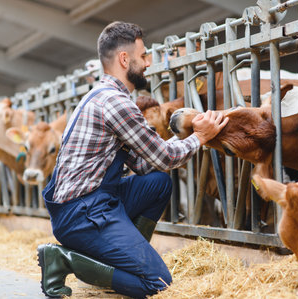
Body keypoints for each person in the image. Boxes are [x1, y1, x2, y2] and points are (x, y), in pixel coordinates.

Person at [37, 21, 228, 298]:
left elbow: (144, 163)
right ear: (124, 59)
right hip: (83, 214)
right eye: (144, 56)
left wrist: (187, 134)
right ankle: (63, 259)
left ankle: (118, 262)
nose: (148, 63)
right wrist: (199, 137)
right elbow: (165, 158)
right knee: (157, 283)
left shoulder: (100, 96)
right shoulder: (117, 103)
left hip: (91, 203)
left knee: (158, 184)